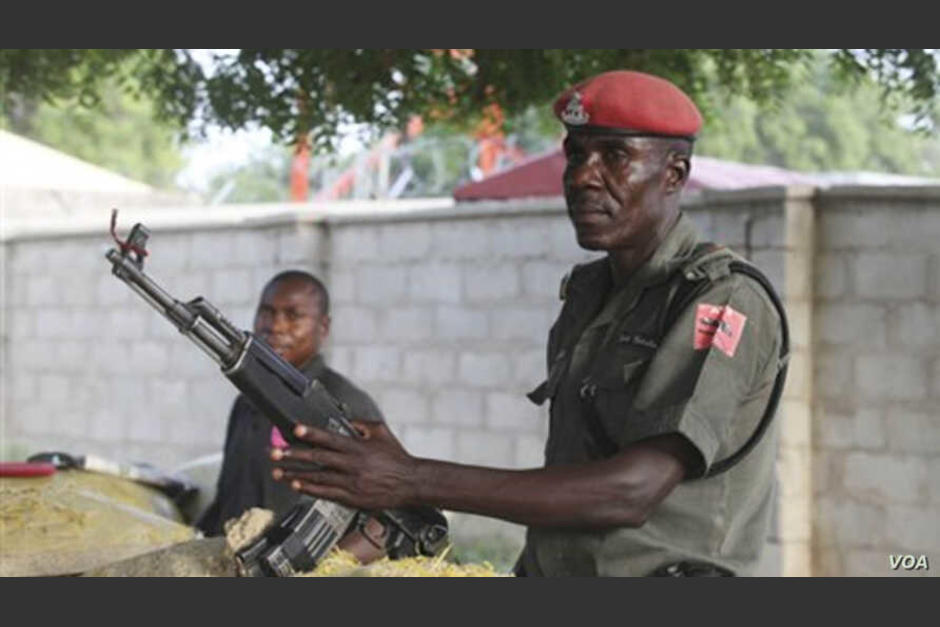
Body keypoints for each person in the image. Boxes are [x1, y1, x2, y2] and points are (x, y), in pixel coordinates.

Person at [271, 71, 788, 577]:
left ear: (674, 174)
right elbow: (575, 476)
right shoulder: (589, 293)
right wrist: (398, 467)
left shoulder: (721, 299)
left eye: (615, 156)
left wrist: (412, 479)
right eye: (576, 154)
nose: (584, 175)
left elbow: (631, 491)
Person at [196, 270, 384, 538]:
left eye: (293, 316)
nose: (276, 326)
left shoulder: (346, 405)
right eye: (267, 312)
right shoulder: (246, 401)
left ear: (323, 327)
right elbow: (228, 499)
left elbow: (375, 517)